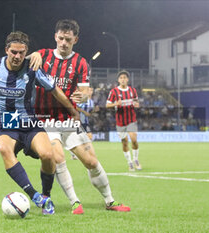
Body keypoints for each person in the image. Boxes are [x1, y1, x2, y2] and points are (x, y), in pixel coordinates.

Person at [0, 31, 80, 215]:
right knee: (4, 148)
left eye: (21, 52)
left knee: (48, 155)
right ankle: (34, 195)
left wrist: (72, 110)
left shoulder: (33, 67)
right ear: (6, 50)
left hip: (29, 123)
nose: (17, 56)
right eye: (13, 52)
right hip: (6, 124)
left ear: (26, 51)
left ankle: (46, 196)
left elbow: (54, 89)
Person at [32, 19, 130, 214]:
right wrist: (32, 54)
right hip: (45, 119)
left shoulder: (81, 63)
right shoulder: (42, 55)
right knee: (58, 157)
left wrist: (84, 96)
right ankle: (75, 202)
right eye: (60, 38)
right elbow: (22, 60)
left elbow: (85, 91)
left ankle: (110, 201)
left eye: (68, 39)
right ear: (55, 37)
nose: (63, 43)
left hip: (69, 119)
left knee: (91, 162)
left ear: (75, 39)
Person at [106, 70, 142, 171]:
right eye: (121, 78)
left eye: (124, 78)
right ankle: (129, 162)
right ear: (118, 80)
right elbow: (107, 105)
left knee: (134, 140)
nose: (123, 79)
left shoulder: (132, 90)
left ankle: (136, 160)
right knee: (125, 142)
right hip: (120, 121)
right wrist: (115, 104)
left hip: (131, 119)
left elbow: (136, 102)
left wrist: (136, 105)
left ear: (127, 80)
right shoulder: (114, 92)